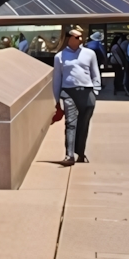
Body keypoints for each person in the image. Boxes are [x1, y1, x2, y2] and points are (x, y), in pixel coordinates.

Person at [54, 28, 101, 165]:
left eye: (81, 37)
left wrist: (95, 91)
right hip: (68, 92)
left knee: (83, 124)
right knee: (71, 123)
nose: (80, 40)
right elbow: (57, 79)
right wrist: (56, 99)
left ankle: (80, 153)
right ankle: (69, 155)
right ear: (69, 38)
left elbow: (95, 73)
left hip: (87, 92)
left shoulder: (89, 53)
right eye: (77, 37)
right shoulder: (60, 56)